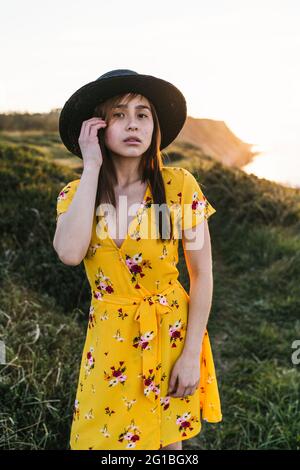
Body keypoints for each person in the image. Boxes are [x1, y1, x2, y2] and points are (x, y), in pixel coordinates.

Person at [53, 69, 222, 451]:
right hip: (109, 339)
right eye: (119, 114)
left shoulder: (179, 186)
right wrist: (92, 166)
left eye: (142, 114)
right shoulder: (76, 193)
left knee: (165, 442)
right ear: (97, 127)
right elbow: (69, 253)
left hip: (169, 333)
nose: (133, 124)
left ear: (154, 126)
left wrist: (191, 352)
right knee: (98, 441)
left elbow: (203, 274)